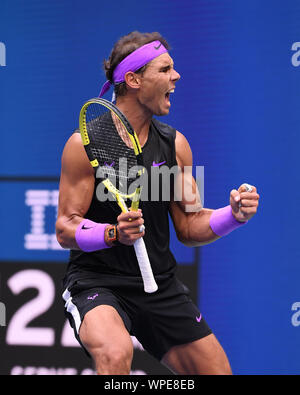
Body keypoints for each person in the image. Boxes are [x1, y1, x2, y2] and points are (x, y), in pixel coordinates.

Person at [56, 31, 260, 375]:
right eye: (165, 69)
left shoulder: (176, 145)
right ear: (134, 80)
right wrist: (110, 234)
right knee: (115, 353)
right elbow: (65, 227)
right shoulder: (83, 144)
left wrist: (234, 215)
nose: (176, 76)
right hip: (97, 283)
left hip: (159, 285)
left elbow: (189, 225)